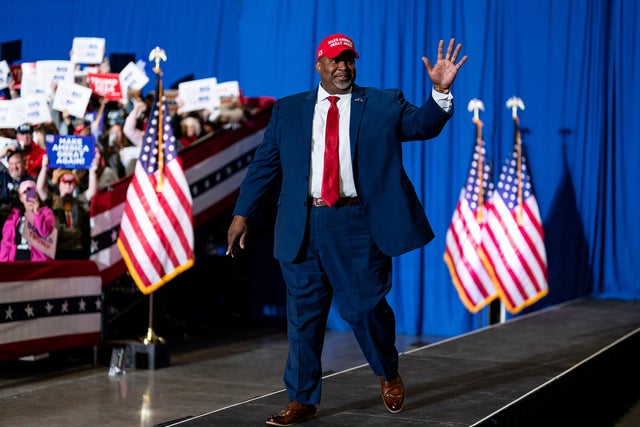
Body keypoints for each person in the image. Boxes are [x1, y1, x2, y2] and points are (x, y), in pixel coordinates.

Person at [226, 34, 467, 425]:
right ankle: (302, 398)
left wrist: (440, 92)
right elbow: (264, 166)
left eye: (349, 61)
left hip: (355, 224)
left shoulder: (384, 103)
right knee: (303, 318)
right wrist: (242, 215)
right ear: (319, 65)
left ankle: (387, 372)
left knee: (365, 309)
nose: (343, 68)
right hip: (301, 223)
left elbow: (423, 125)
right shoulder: (288, 111)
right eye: (335, 61)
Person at [0, 179, 55, 261]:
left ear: (36, 195)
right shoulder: (14, 215)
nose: (29, 195)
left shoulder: (46, 212)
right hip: (15, 257)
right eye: (25, 193)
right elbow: (6, 242)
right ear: (20, 198)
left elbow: (46, 233)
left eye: (31, 192)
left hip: (37, 260)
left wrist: (37, 213)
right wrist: (3, 263)